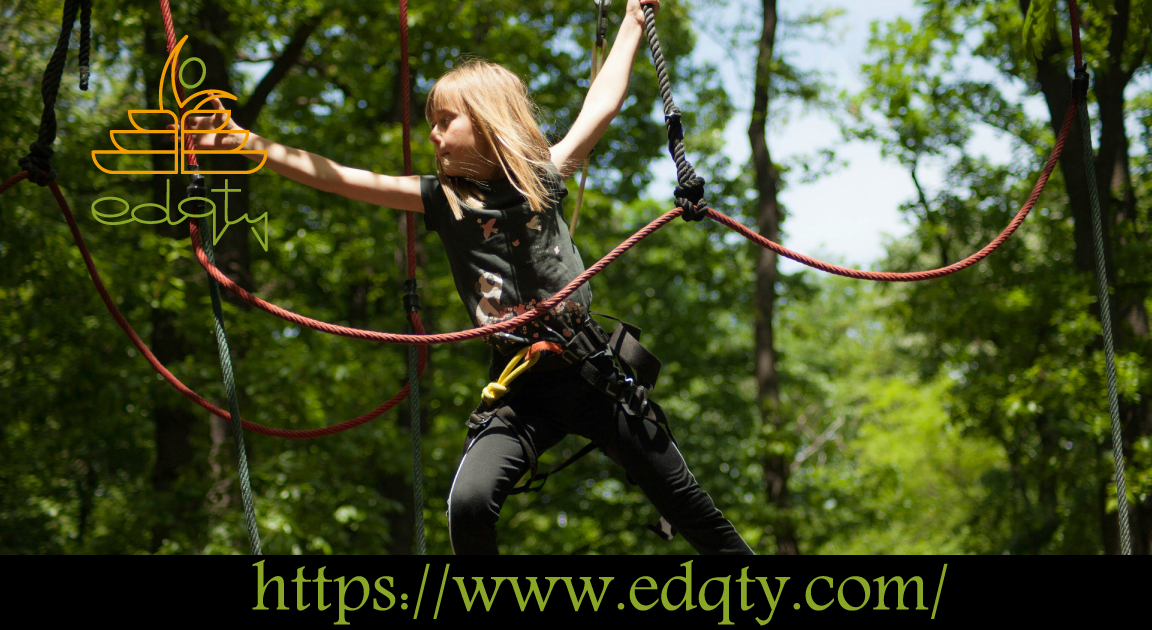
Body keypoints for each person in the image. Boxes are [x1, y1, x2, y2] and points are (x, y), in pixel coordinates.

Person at [180, 0, 751, 555]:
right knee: (469, 505)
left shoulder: (543, 178)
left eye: (444, 121)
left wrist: (631, 21)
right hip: (520, 390)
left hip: (592, 374)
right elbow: (337, 178)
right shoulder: (441, 200)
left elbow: (600, 105)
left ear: (486, 123)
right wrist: (244, 142)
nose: (432, 134)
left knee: (691, 508)